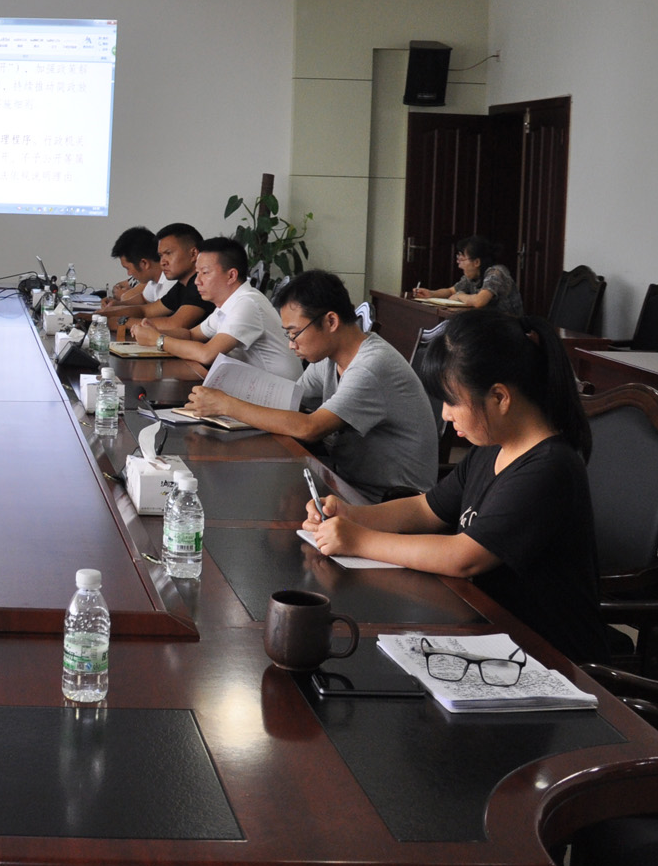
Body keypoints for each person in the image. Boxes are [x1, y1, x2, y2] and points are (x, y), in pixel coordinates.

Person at [301, 308, 607, 664]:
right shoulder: (493, 446)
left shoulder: (549, 467)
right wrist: (352, 515)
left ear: (500, 397)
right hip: (489, 630)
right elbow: (424, 508)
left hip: (547, 655)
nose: (445, 414)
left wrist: (358, 540)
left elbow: (464, 558)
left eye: (453, 400)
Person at [184, 270, 439, 495]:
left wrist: (227, 405)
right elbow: (289, 401)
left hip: (389, 500)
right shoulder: (329, 357)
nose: (291, 344)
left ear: (331, 321)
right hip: (346, 480)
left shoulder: (371, 366)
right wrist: (224, 398)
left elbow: (310, 427)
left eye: (295, 333)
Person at [129, 236, 299, 377]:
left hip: (276, 396)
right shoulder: (228, 303)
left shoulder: (247, 304)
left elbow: (207, 354)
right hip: (251, 387)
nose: (197, 281)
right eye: (197, 273)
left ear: (231, 275)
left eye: (205, 273)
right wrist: (154, 332)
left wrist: (158, 340)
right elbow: (191, 335)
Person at [411, 234, 525, 314]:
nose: (459, 264)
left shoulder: (496, 273)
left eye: (461, 259)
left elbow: (479, 301)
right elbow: (451, 291)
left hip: (509, 328)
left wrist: (460, 296)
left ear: (476, 262)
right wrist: (431, 293)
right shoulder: (472, 276)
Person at [97, 226, 168, 318]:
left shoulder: (170, 282)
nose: (129, 274)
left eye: (128, 268)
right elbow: (143, 299)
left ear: (144, 263)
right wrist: (116, 304)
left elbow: (147, 312)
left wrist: (110, 314)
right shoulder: (153, 280)